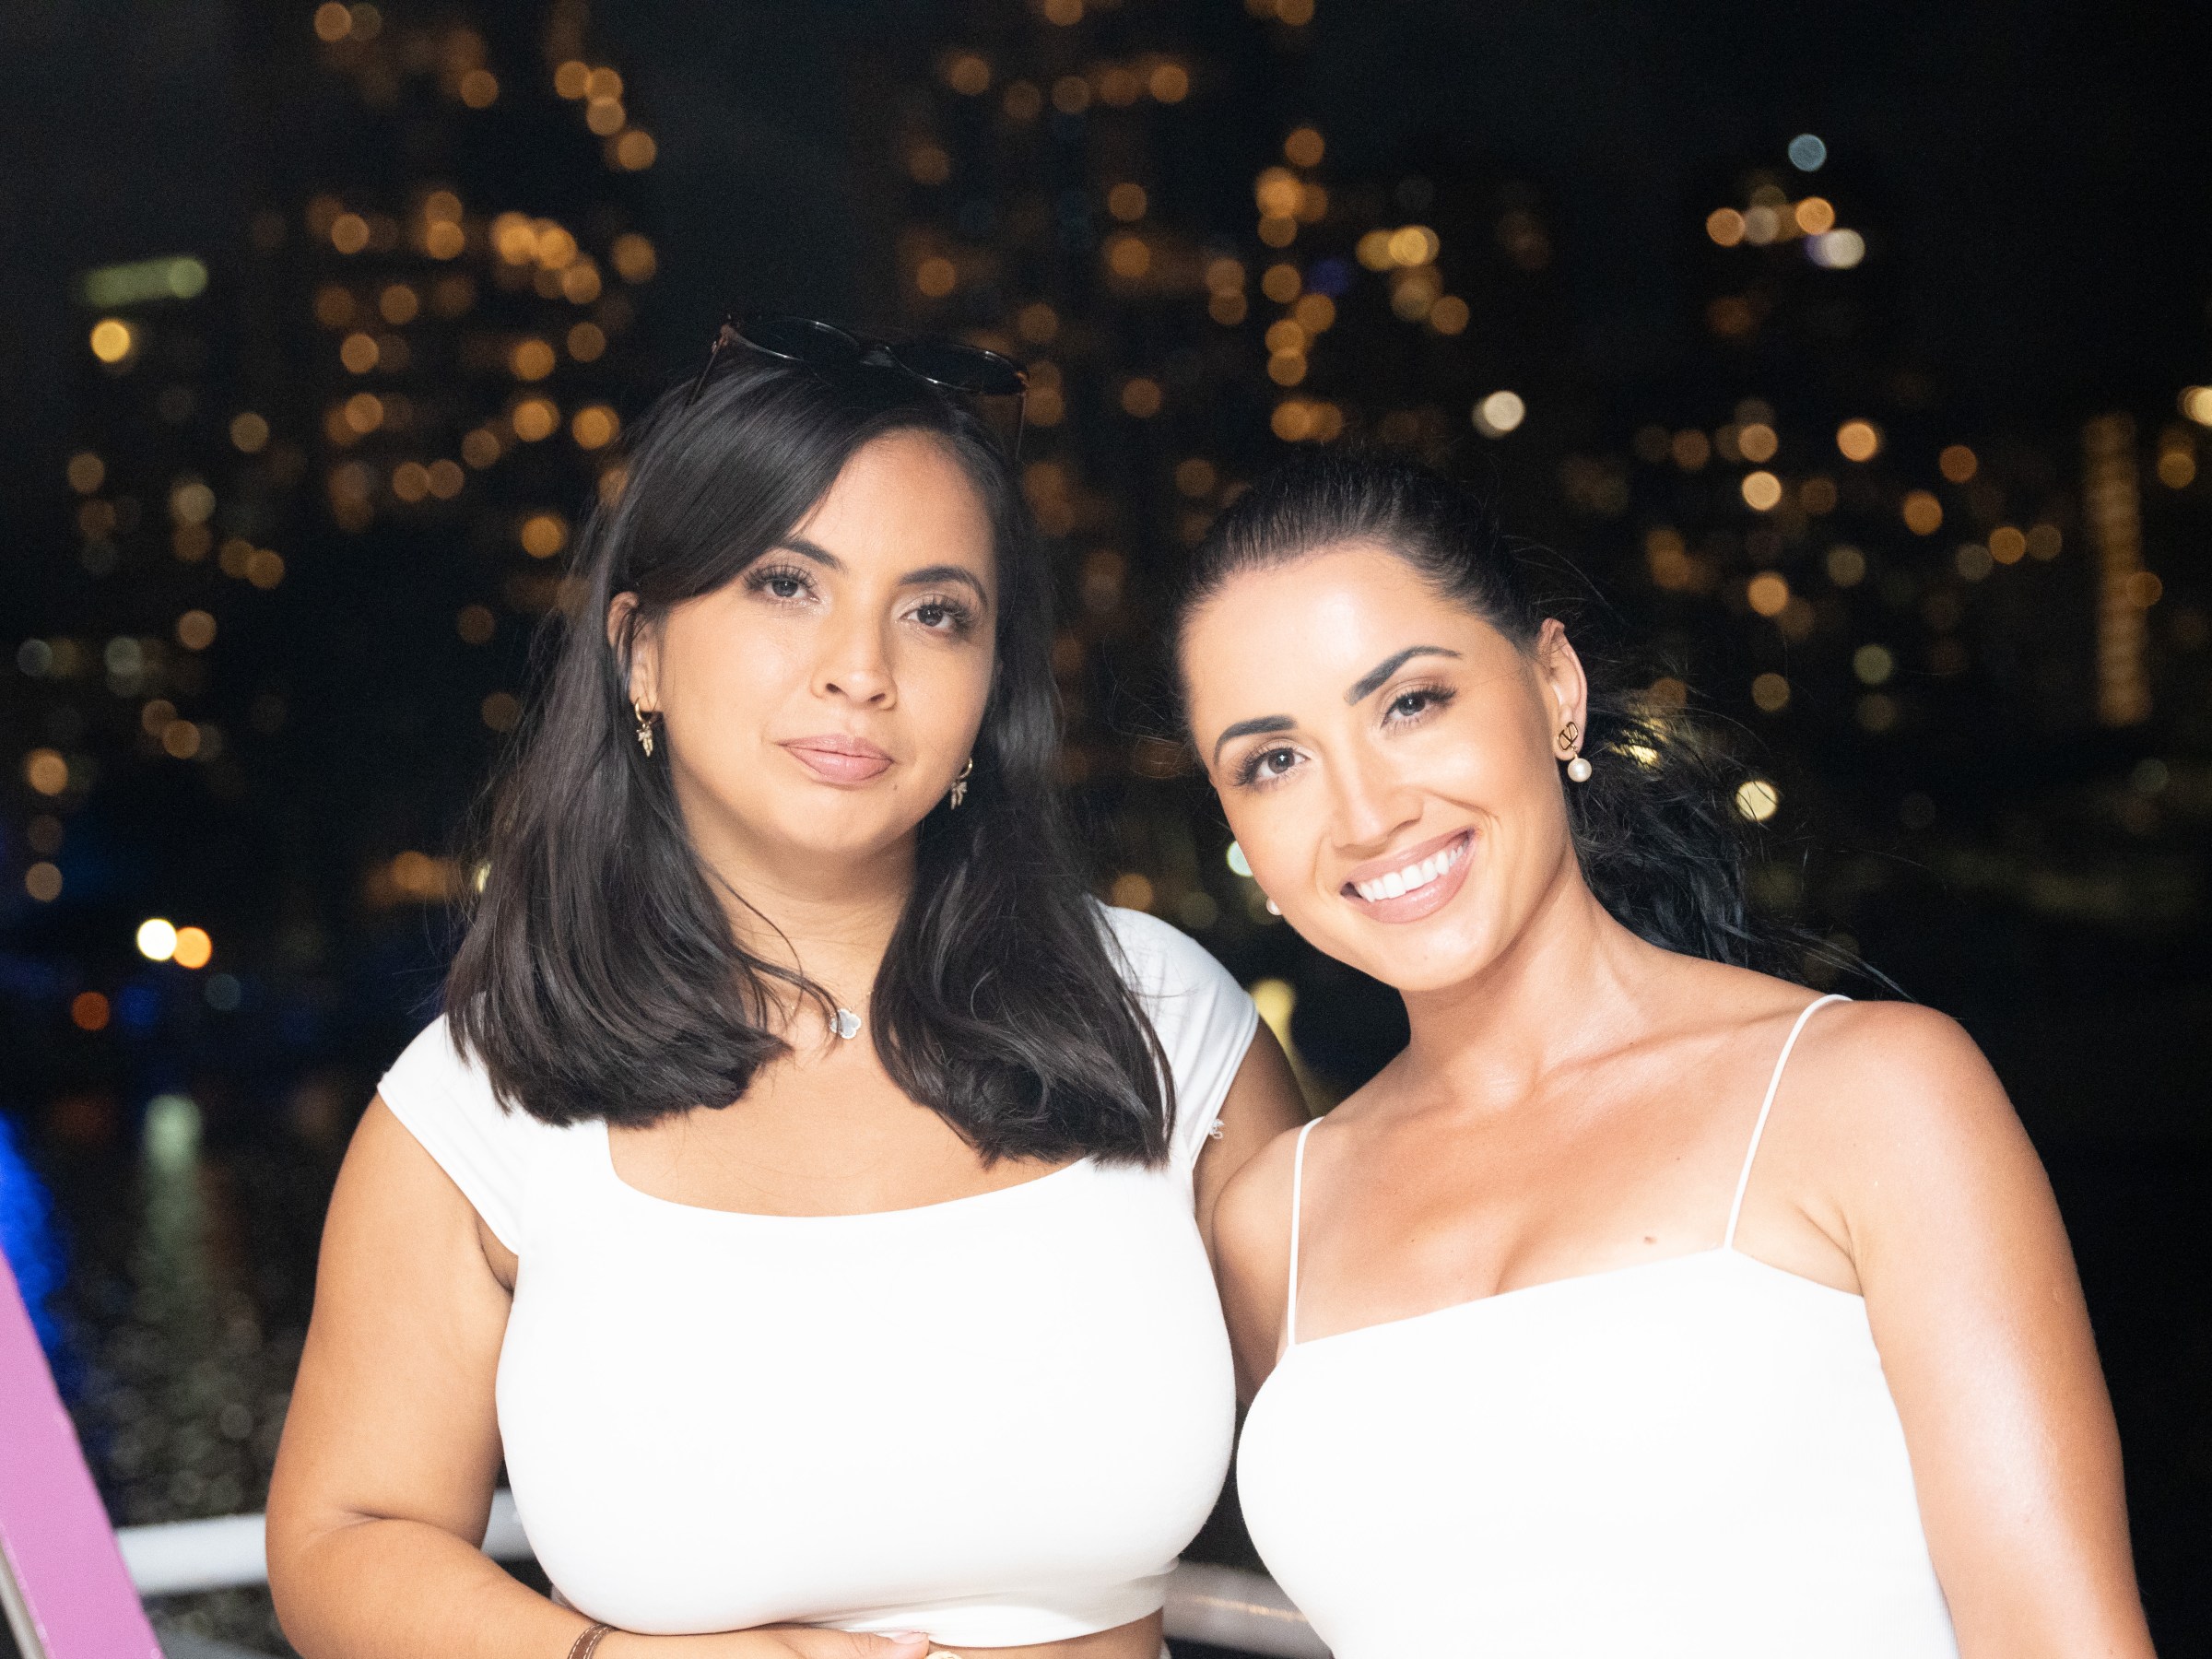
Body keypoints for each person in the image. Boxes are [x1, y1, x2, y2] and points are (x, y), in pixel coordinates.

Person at [265, 323, 1304, 1659]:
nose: (861, 669)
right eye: (785, 584)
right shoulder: (487, 1098)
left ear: (989, 688)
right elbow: (345, 1536)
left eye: (935, 612)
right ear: (639, 651)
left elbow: (1381, 1438)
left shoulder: (1159, 1022)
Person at [1177, 453, 2157, 1659]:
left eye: (1412, 704)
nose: (1367, 813)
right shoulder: (1271, 1222)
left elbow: (2060, 1635)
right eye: (1274, 761)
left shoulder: (1869, 1096)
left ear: (1555, 688)